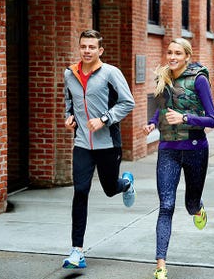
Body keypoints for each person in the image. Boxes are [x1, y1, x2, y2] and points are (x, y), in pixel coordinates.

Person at [142, 38, 214, 279]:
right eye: (169, 52)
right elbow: (161, 108)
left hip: (195, 148)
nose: (172, 57)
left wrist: (185, 118)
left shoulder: (199, 80)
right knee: (166, 206)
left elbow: (213, 119)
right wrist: (152, 123)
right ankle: (161, 264)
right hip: (168, 149)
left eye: (177, 53)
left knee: (190, 204)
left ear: (187, 56)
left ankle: (197, 208)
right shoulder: (163, 77)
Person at [62, 29, 136, 269]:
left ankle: (125, 183)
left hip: (107, 144)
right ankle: (77, 251)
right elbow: (69, 102)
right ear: (79, 47)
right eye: (83, 46)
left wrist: (104, 119)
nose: (87, 51)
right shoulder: (69, 74)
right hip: (82, 143)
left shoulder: (110, 73)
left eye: (92, 47)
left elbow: (128, 103)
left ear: (100, 50)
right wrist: (69, 118)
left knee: (109, 188)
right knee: (80, 191)